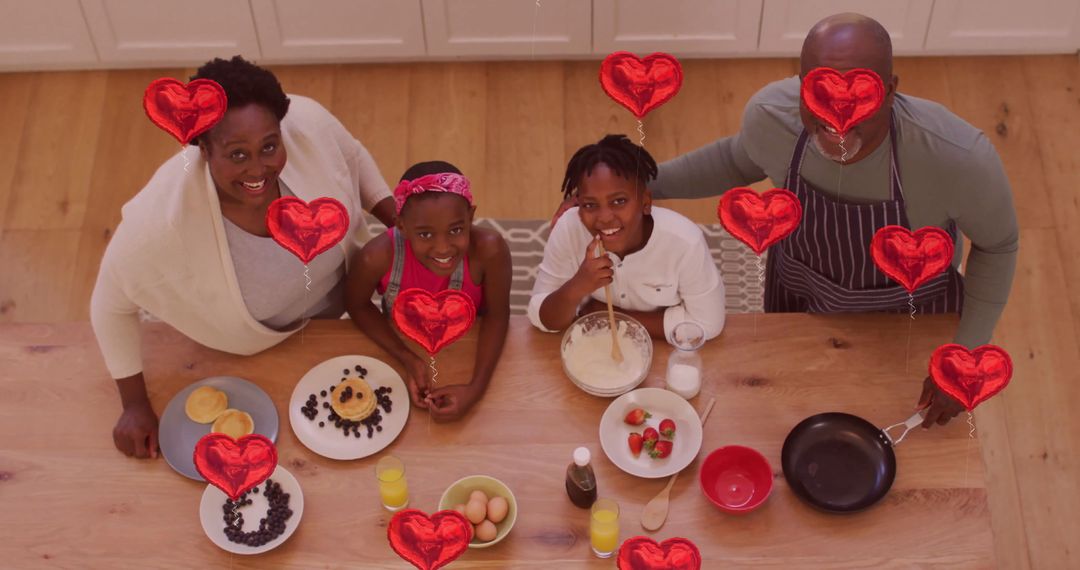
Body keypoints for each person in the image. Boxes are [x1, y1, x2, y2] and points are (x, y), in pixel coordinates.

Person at [563, 14, 1018, 428]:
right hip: (801, 299)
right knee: (779, 420)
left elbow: (998, 245)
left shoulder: (957, 157)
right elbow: (736, 160)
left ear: (891, 89)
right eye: (820, 91)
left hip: (909, 317)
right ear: (801, 86)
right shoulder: (773, 118)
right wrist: (629, 192)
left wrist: (964, 357)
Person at [91, 56, 397, 458]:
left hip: (354, 313)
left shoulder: (306, 123)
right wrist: (133, 404)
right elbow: (108, 303)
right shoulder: (159, 224)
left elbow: (352, 157)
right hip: (259, 353)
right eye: (237, 155)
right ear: (203, 148)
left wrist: (401, 225)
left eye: (269, 147)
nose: (258, 169)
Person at [344, 161, 511, 422]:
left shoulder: (490, 250)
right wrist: (407, 358)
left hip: (468, 347)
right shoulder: (375, 258)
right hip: (405, 342)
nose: (443, 248)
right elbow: (356, 304)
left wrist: (475, 389)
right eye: (425, 235)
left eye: (456, 230)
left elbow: (497, 316)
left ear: (471, 216)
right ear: (401, 225)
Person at [530, 134, 725, 343]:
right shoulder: (569, 229)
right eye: (589, 205)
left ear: (646, 202)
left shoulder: (685, 242)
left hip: (664, 348)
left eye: (619, 201)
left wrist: (608, 316)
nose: (605, 217)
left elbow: (708, 324)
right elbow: (541, 317)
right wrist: (577, 286)